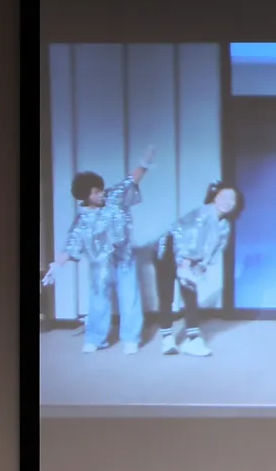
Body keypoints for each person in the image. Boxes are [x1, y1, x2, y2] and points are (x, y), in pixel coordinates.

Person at [43, 146, 157, 353]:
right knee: (98, 298)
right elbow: (72, 244)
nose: (101, 193)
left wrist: (144, 163)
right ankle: (96, 338)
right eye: (95, 192)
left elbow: (131, 180)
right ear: (86, 196)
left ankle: (131, 338)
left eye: (100, 189)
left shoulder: (114, 197)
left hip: (124, 258)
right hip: (100, 264)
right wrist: (56, 266)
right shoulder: (82, 220)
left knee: (129, 295)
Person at [157, 181, 241, 357]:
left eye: (232, 199)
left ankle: (193, 340)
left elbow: (215, 250)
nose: (227, 202)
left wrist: (201, 267)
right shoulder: (203, 213)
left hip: (191, 258)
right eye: (223, 197)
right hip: (169, 249)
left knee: (190, 296)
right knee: (167, 295)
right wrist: (185, 265)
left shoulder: (225, 225)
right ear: (214, 197)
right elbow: (191, 239)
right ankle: (167, 339)